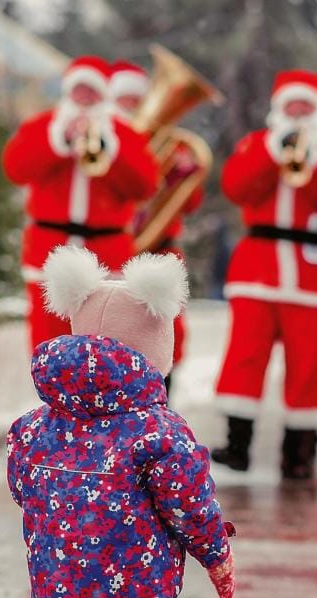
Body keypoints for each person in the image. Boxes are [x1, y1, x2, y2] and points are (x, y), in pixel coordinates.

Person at [7, 245, 235, 598]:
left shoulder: (37, 424)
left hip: (58, 577)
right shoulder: (157, 429)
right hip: (137, 583)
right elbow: (190, 502)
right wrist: (216, 553)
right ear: (156, 349)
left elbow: (22, 484)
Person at [212, 70, 317, 479]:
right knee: (245, 356)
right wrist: (272, 155)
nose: (297, 114)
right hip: (259, 267)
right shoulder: (257, 145)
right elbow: (237, 189)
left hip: (314, 274)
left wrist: (315, 164)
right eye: (291, 107)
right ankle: (237, 444)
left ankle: (300, 453)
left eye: (305, 107)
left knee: (312, 364)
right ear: (278, 110)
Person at [2, 56, 159, 351]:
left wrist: (109, 151)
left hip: (106, 254)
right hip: (50, 249)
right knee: (48, 342)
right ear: (68, 91)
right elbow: (15, 168)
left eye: (93, 91)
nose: (85, 97)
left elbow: (144, 186)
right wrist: (60, 140)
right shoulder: (44, 125)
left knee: (104, 343)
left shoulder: (123, 133)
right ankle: (51, 396)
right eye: (79, 90)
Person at [109, 60, 206, 375]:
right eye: (125, 101)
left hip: (159, 248)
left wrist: (182, 172)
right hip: (112, 250)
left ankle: (164, 399)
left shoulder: (173, 145)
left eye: (138, 101)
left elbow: (188, 204)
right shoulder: (102, 142)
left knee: (166, 330)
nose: (133, 108)